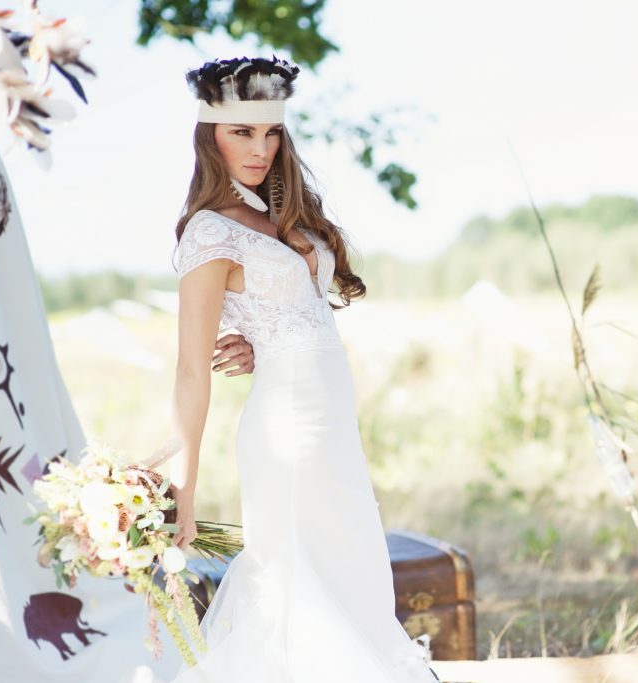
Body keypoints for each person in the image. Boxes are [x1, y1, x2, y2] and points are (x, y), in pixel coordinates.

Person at [166, 56, 441, 682]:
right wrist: (185, 489)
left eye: (271, 132)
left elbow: (293, 315)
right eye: (242, 132)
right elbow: (190, 370)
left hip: (333, 427)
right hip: (286, 432)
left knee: (353, 571)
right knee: (295, 582)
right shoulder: (209, 233)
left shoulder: (282, 214)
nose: (259, 148)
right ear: (209, 135)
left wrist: (260, 341)